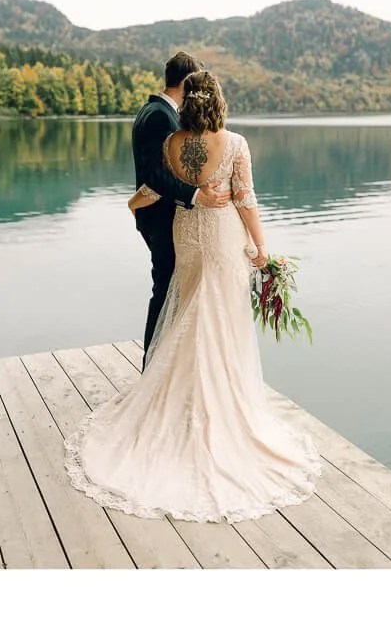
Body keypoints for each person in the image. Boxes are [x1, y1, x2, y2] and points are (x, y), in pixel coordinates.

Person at [64, 69, 323, 523]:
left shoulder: (171, 145)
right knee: (219, 322)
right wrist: (262, 250)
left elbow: (149, 193)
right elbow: (245, 200)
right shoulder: (237, 144)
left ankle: (176, 404)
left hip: (188, 237)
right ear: (219, 101)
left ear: (187, 103)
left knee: (187, 312)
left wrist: (134, 204)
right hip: (222, 241)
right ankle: (218, 411)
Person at [129, 51, 233, 362]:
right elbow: (156, 176)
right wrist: (195, 195)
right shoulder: (159, 116)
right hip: (160, 219)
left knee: (170, 289)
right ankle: (153, 368)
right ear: (186, 82)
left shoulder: (156, 111)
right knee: (164, 291)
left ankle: (166, 365)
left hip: (157, 215)